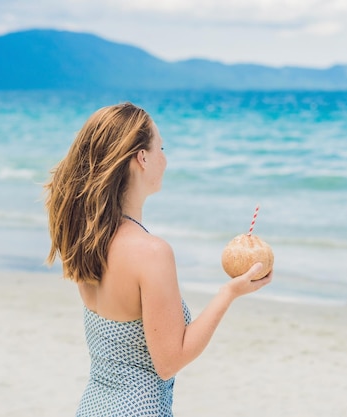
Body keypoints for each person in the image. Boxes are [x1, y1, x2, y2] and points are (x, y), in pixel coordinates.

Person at [44, 102, 272, 416]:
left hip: (93, 406)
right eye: (160, 147)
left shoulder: (86, 237)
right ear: (142, 157)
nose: (164, 158)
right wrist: (229, 293)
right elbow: (169, 362)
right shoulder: (150, 252)